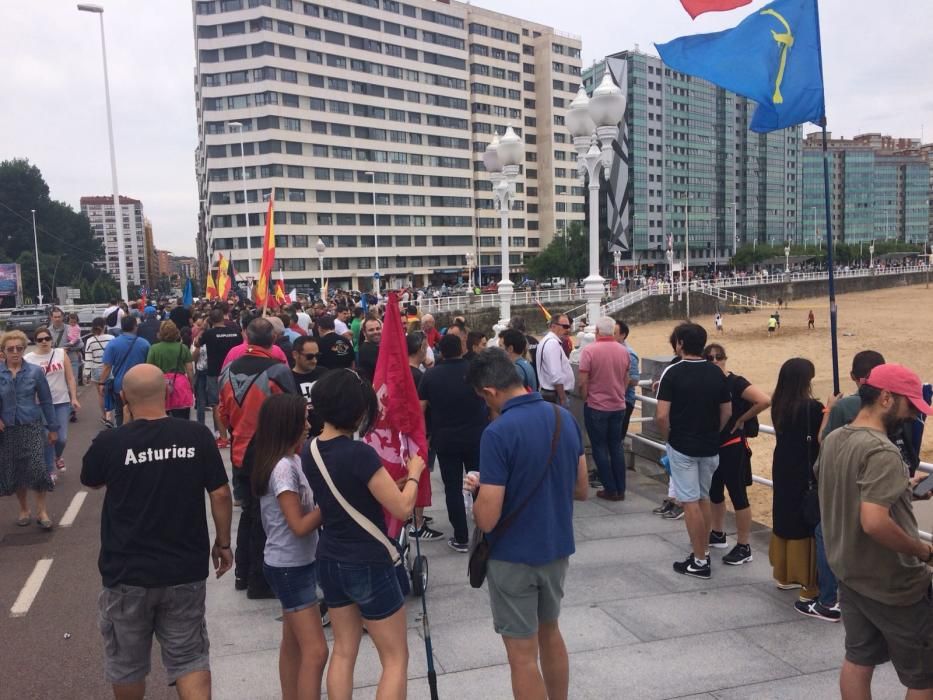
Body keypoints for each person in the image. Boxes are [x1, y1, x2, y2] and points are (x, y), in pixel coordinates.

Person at [80, 364, 233, 700]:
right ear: (166, 393)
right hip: (184, 569)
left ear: (123, 397)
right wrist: (223, 543)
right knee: (190, 656)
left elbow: (92, 479)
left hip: (126, 572)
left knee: (127, 663)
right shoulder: (196, 435)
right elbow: (220, 493)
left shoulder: (111, 442)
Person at [463, 348, 588, 700]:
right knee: (550, 632)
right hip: (556, 546)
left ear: (489, 391)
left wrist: (478, 492)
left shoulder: (498, 433)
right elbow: (581, 489)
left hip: (513, 554)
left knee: (521, 654)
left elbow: (488, 516)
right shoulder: (563, 417)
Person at [302, 369, 426, 700]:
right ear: (358, 411)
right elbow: (402, 509)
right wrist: (414, 474)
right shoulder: (359, 453)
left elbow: (346, 491)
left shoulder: (309, 450)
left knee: (344, 649)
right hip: (368, 560)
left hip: (330, 556)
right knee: (395, 657)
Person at [817, 364, 933, 695]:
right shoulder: (882, 450)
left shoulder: (835, 438)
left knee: (858, 659)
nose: (913, 415)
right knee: (925, 676)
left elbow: (851, 490)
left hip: (850, 573)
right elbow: (874, 521)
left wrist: (905, 486)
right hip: (894, 582)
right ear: (885, 398)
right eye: (910, 405)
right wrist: (921, 550)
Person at [253, 394, 328, 700]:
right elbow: (298, 525)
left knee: (293, 642)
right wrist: (330, 506)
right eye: (303, 419)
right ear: (288, 425)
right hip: (289, 566)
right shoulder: (283, 469)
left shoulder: (291, 460)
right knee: (317, 650)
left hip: (293, 562)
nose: (309, 425)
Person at [220, 318, 297, 597]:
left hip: (239, 450)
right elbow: (293, 410)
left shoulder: (227, 371)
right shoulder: (278, 371)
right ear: (274, 339)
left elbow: (223, 413)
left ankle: (243, 573)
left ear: (246, 337)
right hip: (270, 452)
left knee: (250, 513)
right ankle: (259, 581)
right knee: (268, 516)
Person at [655, 322, 731, 579]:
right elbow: (727, 411)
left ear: (680, 344)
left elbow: (662, 415)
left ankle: (700, 560)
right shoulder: (716, 373)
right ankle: (703, 552)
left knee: (690, 502)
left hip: (683, 444)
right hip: (710, 445)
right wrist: (715, 432)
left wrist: (669, 438)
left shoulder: (673, 373)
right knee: (703, 497)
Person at [418, 333, 488, 552]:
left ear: (441, 351)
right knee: (479, 481)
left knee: (452, 487)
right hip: (476, 435)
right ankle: (486, 526)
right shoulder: (475, 371)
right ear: (462, 348)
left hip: (445, 438)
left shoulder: (430, 376)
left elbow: (420, 409)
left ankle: (461, 537)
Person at [703, 343, 771, 565]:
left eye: (718, 357)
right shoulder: (709, 381)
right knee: (714, 492)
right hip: (714, 445)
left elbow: (764, 400)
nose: (714, 361)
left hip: (733, 446)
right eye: (710, 358)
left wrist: (742, 419)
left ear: (725, 358)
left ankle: (744, 545)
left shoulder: (736, 382)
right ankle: (718, 532)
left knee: (738, 494)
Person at [769, 358, 823, 601]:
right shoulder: (812, 408)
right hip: (804, 468)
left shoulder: (779, 403)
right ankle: (808, 584)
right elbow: (822, 438)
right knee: (805, 519)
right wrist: (830, 410)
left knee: (784, 514)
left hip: (782, 465)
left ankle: (784, 574)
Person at [0, 330, 58, 530]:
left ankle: (42, 511)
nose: (15, 352)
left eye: (19, 348)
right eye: (10, 349)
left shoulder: (35, 372)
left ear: (24, 349)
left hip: (32, 425)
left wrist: (52, 428)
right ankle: (24, 509)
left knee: (37, 468)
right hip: (7, 429)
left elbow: (47, 400)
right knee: (17, 470)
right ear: (3, 351)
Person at [578, 317, 631, 501]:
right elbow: (627, 378)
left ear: (597, 332)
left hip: (597, 405)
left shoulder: (589, 350)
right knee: (616, 446)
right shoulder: (623, 351)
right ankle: (620, 487)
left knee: (599, 447)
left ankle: (610, 487)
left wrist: (586, 397)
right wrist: (620, 394)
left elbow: (583, 380)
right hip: (618, 405)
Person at [25, 326, 81, 477]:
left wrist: (74, 397)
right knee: (48, 437)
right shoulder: (29, 359)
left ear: (51, 339)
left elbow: (70, 378)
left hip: (61, 402)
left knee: (61, 438)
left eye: (47, 338)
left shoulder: (60, 353)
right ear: (35, 341)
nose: (44, 342)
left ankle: (58, 456)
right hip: (40, 404)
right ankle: (50, 471)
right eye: (40, 339)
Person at [193, 309, 241, 447]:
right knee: (235, 402)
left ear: (211, 320)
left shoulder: (208, 334)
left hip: (214, 373)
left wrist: (203, 328)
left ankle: (223, 437)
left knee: (217, 405)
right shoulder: (235, 332)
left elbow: (197, 343)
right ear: (223, 318)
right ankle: (235, 434)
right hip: (233, 371)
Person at [100, 316, 151, 428]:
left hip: (120, 385)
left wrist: (102, 383)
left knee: (120, 413)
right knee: (140, 413)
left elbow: (107, 366)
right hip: (140, 384)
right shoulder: (145, 344)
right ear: (135, 327)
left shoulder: (113, 344)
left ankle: (122, 437)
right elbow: (149, 364)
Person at [146, 320, 195, 420]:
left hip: (161, 385)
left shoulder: (154, 348)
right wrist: (192, 385)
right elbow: (190, 369)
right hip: (180, 385)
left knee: (161, 419)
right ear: (176, 332)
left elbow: (149, 369)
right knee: (183, 420)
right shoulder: (183, 348)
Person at [536, 315, 575, 406]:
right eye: (565, 326)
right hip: (555, 395)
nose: (568, 330)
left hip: (550, 393)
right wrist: (562, 398)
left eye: (569, 327)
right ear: (553, 326)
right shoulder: (552, 344)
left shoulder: (547, 341)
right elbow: (556, 375)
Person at [84, 317, 115, 427]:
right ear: (104, 326)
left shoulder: (90, 340)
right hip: (110, 368)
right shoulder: (111, 338)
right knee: (110, 393)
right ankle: (109, 415)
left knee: (101, 395)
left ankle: (104, 416)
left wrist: (86, 373)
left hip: (96, 369)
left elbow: (88, 358)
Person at [615, 320, 640, 452]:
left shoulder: (629, 354)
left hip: (624, 401)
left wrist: (615, 382)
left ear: (623, 335)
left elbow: (635, 380)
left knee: (617, 440)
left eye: (614, 333)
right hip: (612, 401)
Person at [356, 317, 382, 384]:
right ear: (364, 333)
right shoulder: (367, 350)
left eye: (378, 328)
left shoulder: (375, 346)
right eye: (371, 330)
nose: (375, 332)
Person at [65, 313, 84, 386]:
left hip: (75, 342)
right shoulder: (67, 327)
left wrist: (71, 344)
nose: (72, 323)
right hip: (71, 342)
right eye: (71, 322)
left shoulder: (77, 328)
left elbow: (77, 338)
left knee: (73, 375)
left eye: (74, 322)